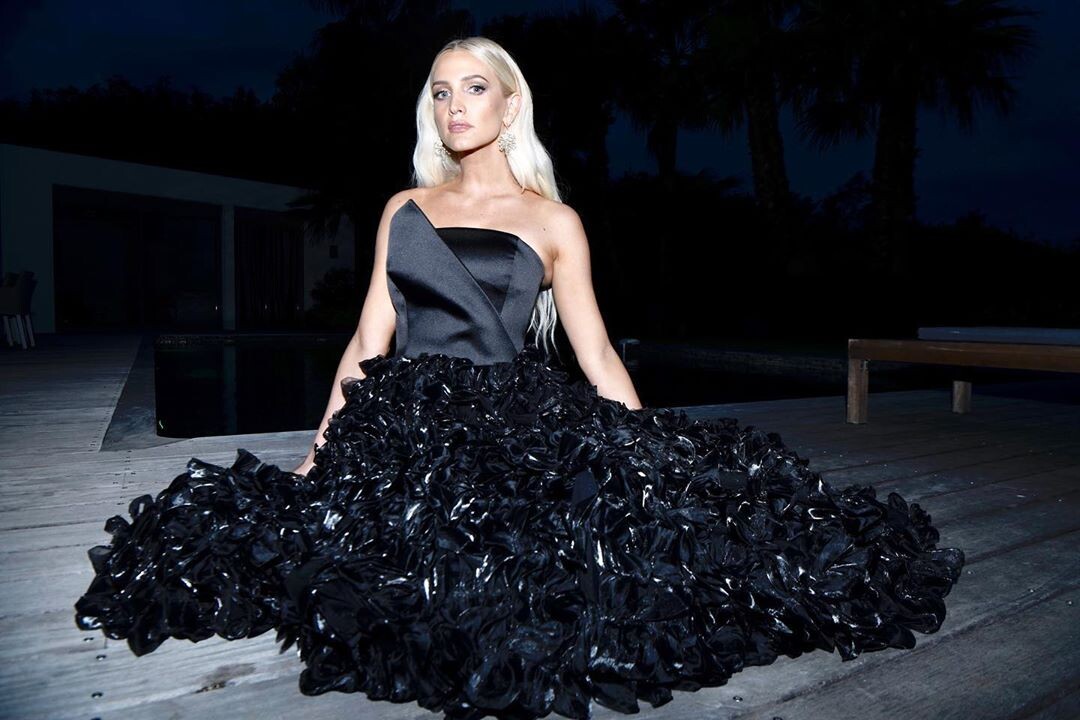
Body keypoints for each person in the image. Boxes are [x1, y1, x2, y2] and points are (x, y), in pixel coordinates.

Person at [75, 36, 965, 720]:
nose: (453, 105)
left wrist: (645, 452)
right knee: (352, 556)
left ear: (509, 106)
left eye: (473, 88)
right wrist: (318, 451)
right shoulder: (402, 207)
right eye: (439, 91)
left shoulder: (554, 221)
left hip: (508, 418)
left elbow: (597, 354)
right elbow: (366, 340)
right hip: (400, 425)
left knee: (545, 567)